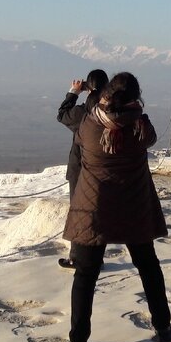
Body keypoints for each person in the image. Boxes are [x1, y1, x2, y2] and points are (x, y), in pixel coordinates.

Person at [63, 72, 171, 342]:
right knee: (148, 266)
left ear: (106, 94)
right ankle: (163, 326)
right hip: (133, 206)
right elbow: (148, 138)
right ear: (136, 98)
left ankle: (78, 339)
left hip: (93, 205)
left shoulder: (89, 125)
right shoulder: (140, 128)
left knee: (86, 274)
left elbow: (79, 140)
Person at [55, 69, 108, 269]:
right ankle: (96, 257)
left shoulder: (84, 112)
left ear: (88, 87)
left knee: (80, 213)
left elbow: (61, 115)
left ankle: (78, 258)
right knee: (99, 212)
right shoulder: (109, 110)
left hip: (81, 168)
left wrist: (73, 92)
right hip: (102, 170)